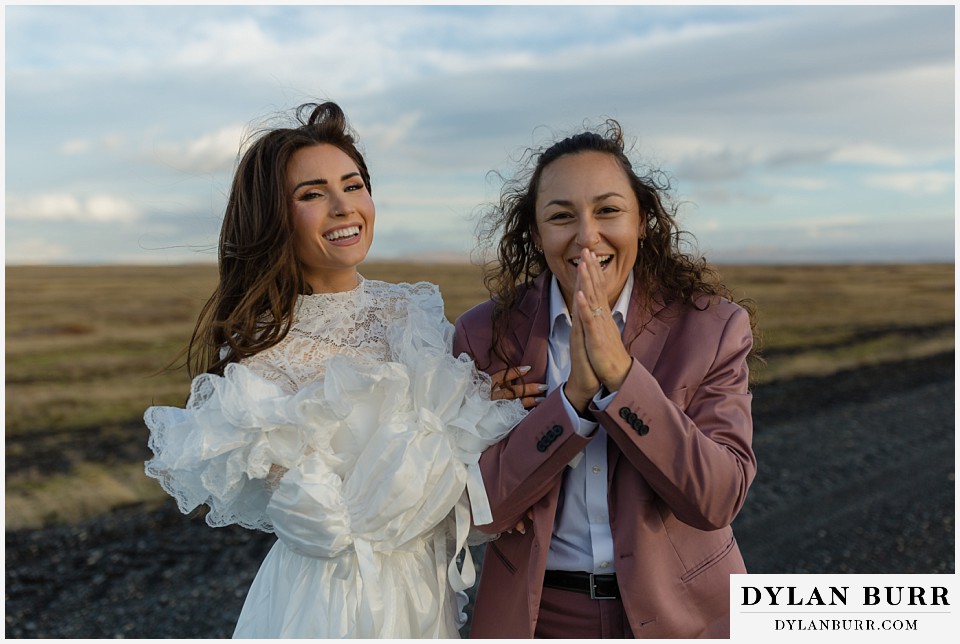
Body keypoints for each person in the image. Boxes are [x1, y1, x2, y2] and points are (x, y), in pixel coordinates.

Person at [143, 101, 525, 638]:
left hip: (426, 598)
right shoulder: (261, 359)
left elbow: (464, 474)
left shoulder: (411, 312)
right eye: (312, 194)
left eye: (353, 185)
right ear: (274, 216)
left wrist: (492, 403)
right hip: (331, 609)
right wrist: (460, 432)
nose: (343, 207)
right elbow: (336, 524)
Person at [452, 120, 758, 638]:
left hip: (688, 615)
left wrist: (621, 377)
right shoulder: (484, 334)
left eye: (609, 211)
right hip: (536, 618)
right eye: (561, 216)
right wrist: (570, 402)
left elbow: (716, 498)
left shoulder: (711, 327)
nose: (587, 236)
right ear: (535, 231)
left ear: (643, 220)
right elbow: (477, 511)